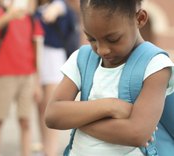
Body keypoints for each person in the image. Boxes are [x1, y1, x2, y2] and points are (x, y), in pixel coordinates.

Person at [44, 0, 174, 156]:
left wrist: (76, 119)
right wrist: (110, 106)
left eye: (113, 39)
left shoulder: (155, 65)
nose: (102, 50)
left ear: (140, 19)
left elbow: (137, 133)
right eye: (91, 39)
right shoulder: (82, 58)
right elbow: (52, 115)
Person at [0, 0, 44, 155]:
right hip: (3, 75)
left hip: (27, 75)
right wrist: (8, 16)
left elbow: (36, 51)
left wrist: (36, 82)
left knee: (25, 121)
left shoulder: (30, 18)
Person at [34, 0, 76, 155]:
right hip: (37, 56)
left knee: (49, 107)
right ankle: (45, 148)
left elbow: (51, 14)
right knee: (39, 106)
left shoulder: (59, 5)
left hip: (52, 58)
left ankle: (50, 151)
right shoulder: (36, 7)